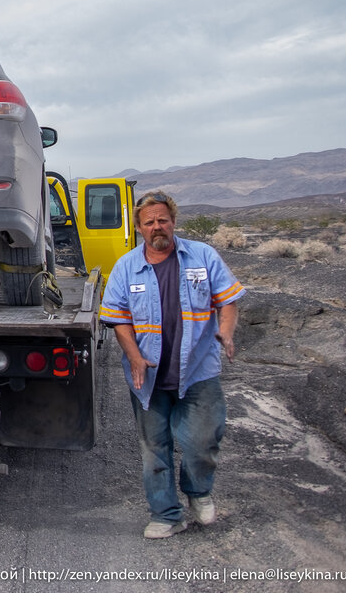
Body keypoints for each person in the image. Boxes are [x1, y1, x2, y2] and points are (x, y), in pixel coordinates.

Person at [100, 190, 245, 539]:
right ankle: (166, 515)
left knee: (202, 442)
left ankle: (198, 492)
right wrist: (134, 356)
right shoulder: (126, 267)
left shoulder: (202, 256)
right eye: (149, 222)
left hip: (198, 371)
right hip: (148, 376)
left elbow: (228, 301)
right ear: (139, 228)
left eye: (162, 220)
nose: (157, 227)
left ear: (173, 221)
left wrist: (225, 331)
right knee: (155, 451)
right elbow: (118, 318)